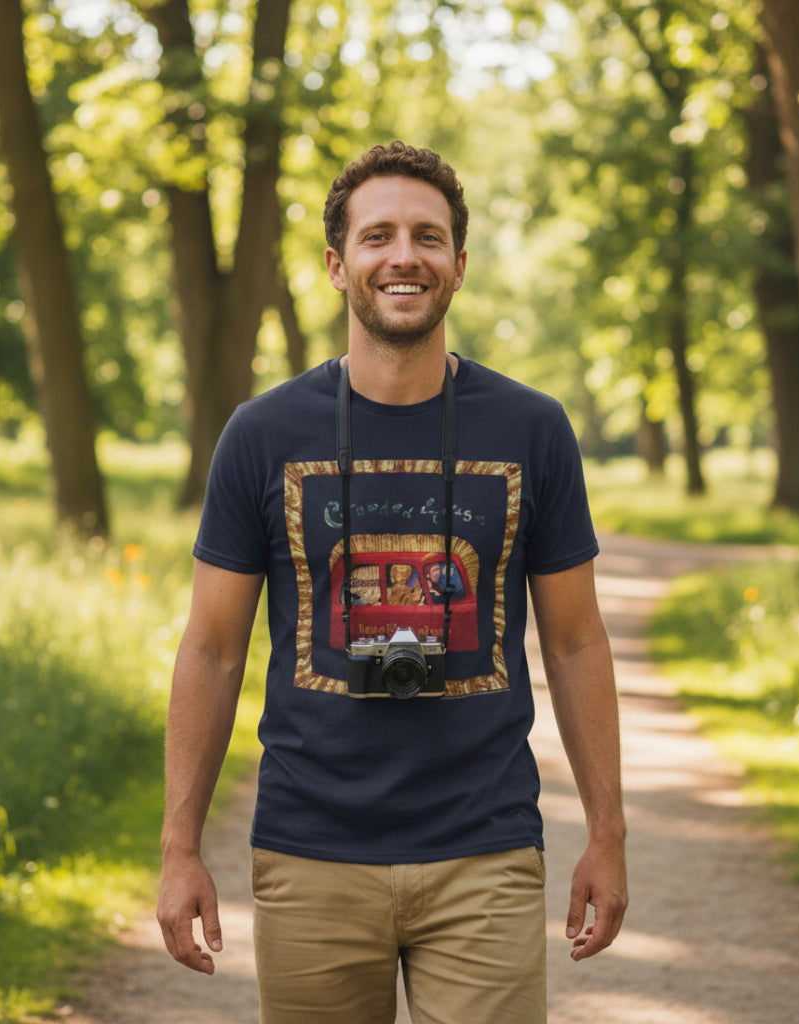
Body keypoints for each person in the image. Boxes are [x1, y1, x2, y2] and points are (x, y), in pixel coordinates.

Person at [156, 140, 628, 1024]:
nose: (404, 255)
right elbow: (213, 650)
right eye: (378, 237)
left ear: (458, 264)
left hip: (484, 847)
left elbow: (574, 640)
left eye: (428, 236)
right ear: (338, 266)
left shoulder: (534, 428)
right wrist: (179, 846)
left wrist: (609, 833)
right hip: (310, 850)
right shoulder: (261, 434)